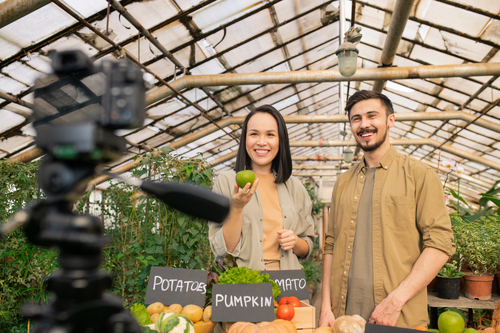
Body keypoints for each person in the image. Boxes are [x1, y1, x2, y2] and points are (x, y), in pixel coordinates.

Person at [319, 90, 455, 328]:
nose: (364, 124)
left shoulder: (418, 175)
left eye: (372, 116)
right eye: (356, 119)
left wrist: (396, 300)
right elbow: (330, 244)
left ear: (390, 120)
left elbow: (440, 243)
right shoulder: (343, 182)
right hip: (344, 317)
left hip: (398, 317)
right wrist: (326, 307)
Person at [208, 104, 315, 271]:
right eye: (254, 134)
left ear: (280, 140)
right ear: (245, 139)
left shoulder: (295, 187)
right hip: (246, 288)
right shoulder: (227, 182)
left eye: (270, 134)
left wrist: (295, 241)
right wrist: (237, 207)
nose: (261, 142)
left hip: (288, 286)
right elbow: (221, 250)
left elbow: (307, 248)